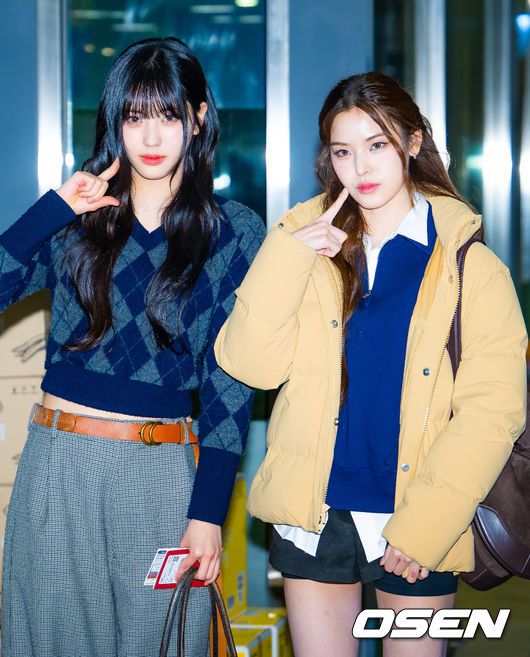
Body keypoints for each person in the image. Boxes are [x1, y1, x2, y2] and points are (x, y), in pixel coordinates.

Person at [214, 72, 527, 657]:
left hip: (414, 514)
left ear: (412, 142)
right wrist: (289, 253)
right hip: (312, 513)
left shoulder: (471, 267)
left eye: (377, 144)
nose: (359, 167)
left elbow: (492, 412)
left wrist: (427, 525)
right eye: (342, 151)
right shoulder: (305, 248)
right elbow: (250, 364)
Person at [0, 37, 264, 657]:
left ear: (198, 117)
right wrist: (52, 209)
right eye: (134, 115)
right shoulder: (77, 219)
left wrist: (208, 513)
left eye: (168, 115)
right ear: (114, 121)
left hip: (162, 472)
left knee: (163, 642)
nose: (150, 136)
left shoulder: (232, 232)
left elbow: (229, 384)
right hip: (59, 465)